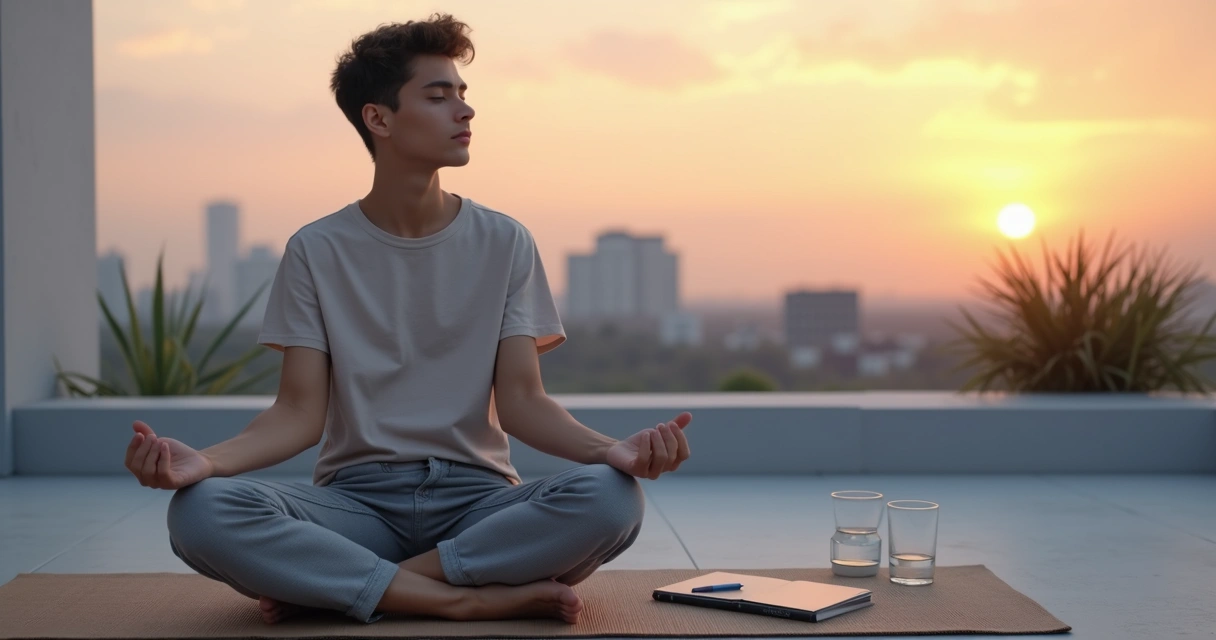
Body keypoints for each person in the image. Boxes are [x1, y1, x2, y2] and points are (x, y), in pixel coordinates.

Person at [121, 13, 693, 627]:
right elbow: (297, 415)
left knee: (610, 499)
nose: (465, 111)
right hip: (354, 506)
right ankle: (465, 595)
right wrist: (204, 463)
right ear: (379, 118)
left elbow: (525, 402)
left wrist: (615, 452)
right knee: (199, 512)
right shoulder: (316, 250)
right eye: (438, 95)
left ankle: (357, 585)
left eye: (464, 95)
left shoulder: (505, 242)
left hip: (479, 502)